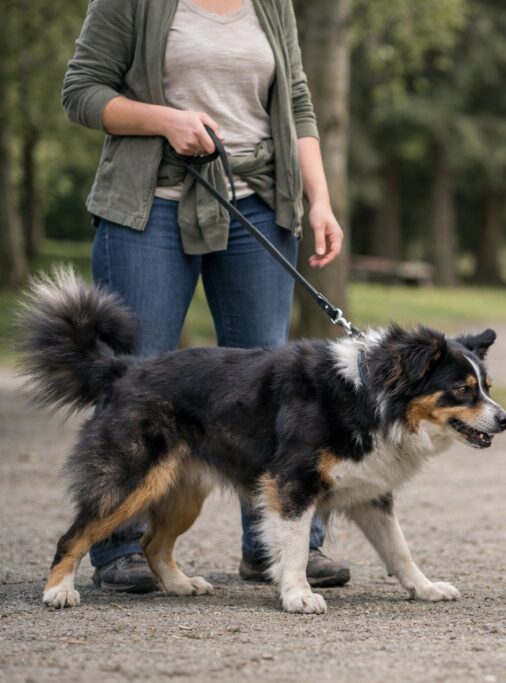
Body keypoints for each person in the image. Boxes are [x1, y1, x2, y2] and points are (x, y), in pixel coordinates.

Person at [62, 0, 350, 592]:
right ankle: (118, 545)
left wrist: (319, 200)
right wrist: (164, 120)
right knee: (137, 377)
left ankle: (278, 549)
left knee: (276, 379)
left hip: (260, 208)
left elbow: (296, 102)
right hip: (150, 206)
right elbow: (82, 92)